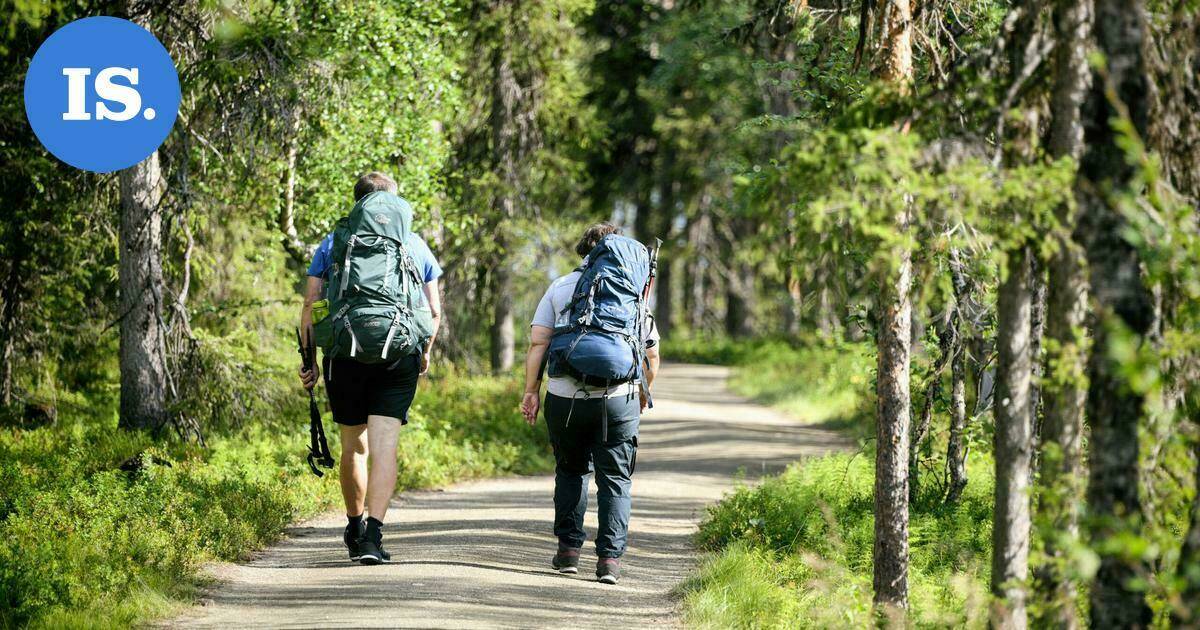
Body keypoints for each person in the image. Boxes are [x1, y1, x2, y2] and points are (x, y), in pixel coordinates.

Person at [298, 171, 442, 565]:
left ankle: (355, 525)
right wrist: (425, 351)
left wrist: (308, 360)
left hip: (345, 353)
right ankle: (374, 537)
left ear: (356, 200)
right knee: (385, 446)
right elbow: (432, 311)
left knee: (353, 446)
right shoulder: (413, 243)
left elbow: (311, 306)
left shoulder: (335, 241)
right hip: (398, 353)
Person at [520, 222, 661, 585]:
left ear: (584, 252)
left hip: (565, 397)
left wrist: (531, 391)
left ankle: (568, 552)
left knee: (571, 472)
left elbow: (539, 343)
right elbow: (653, 355)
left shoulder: (562, 286)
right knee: (615, 478)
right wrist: (642, 392)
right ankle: (609, 562)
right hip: (617, 400)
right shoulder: (632, 291)